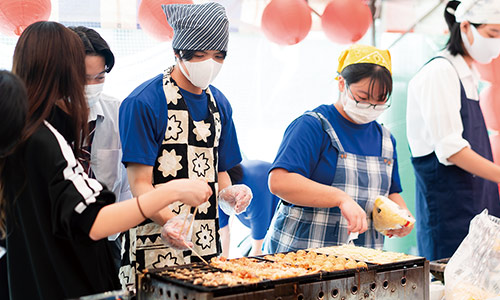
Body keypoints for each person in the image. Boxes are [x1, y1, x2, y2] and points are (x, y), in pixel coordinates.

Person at [1, 21, 211, 300]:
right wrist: (173, 191)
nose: (87, 85)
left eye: (98, 77)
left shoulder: (23, 135)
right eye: (79, 74)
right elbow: (94, 220)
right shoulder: (45, 141)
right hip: (69, 277)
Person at [118, 2, 250, 288]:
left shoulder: (220, 104)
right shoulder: (144, 102)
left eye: (218, 56)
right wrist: (170, 221)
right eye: (200, 55)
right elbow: (139, 183)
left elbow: (220, 170)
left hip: (205, 240)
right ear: (177, 52)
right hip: (153, 238)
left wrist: (229, 194)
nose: (210, 64)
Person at [264, 44, 413, 254]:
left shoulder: (386, 140)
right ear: (342, 83)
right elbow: (280, 182)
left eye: (380, 99)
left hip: (361, 264)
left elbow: (391, 192)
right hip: (301, 256)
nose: (371, 106)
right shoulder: (314, 126)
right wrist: (340, 198)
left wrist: (402, 216)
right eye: (362, 97)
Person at [406, 0, 500, 261]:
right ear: (466, 27)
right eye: (493, 34)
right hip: (451, 217)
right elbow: (453, 150)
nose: (498, 42)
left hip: (481, 209)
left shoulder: (469, 76)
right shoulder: (439, 73)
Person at [69, 25, 132, 268]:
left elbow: (125, 182)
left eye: (100, 77)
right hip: (58, 238)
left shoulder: (118, 112)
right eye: (85, 78)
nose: (92, 85)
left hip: (107, 238)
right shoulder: (45, 121)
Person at [218, 160, 280, 257]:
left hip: (276, 221)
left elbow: (258, 247)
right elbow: (224, 232)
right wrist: (222, 261)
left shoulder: (253, 186)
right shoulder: (220, 191)